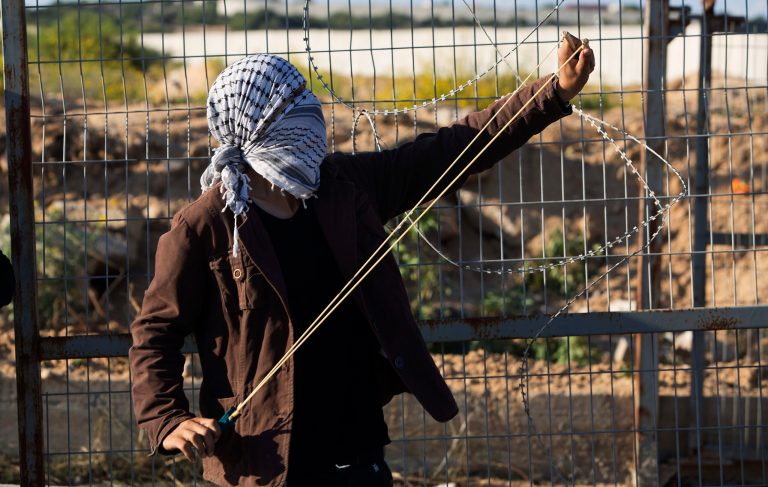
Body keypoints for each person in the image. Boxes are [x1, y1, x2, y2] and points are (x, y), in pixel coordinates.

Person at [129, 35, 594, 487]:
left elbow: (455, 149)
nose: (311, 117)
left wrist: (552, 93)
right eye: (292, 112)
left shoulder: (342, 187)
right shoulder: (204, 226)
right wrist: (167, 419)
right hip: (265, 464)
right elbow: (155, 333)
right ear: (257, 130)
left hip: (356, 450)